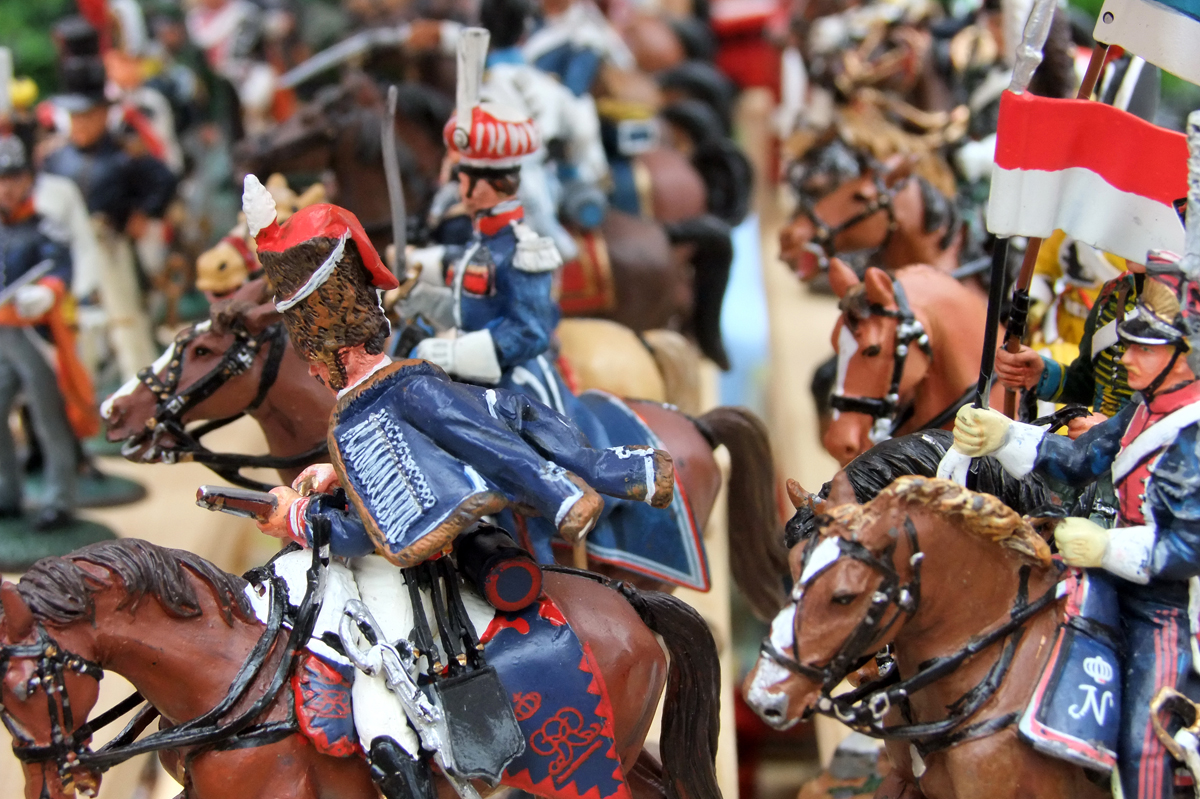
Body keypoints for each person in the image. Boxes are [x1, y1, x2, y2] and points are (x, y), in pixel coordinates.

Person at [239, 172, 672, 799]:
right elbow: (398, 468)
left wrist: (303, 521)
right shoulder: (370, 398)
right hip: (415, 542)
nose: (308, 367)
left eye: (311, 352)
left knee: (370, 666)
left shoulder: (401, 390)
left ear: (335, 348)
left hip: (424, 568)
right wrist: (337, 476)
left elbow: (406, 508)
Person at [952, 260, 1200, 799]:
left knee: (1148, 737)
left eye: (1145, 349)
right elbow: (1083, 455)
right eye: (1129, 345)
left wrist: (1109, 546)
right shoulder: (1142, 408)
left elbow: (1187, 546)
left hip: (1170, 607)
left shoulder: (1193, 433)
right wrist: (1005, 435)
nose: (1128, 358)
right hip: (1112, 579)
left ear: (1185, 356)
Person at [0, 137, 82, 530]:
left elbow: (62, 268)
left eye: (13, 178)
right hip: (1, 335)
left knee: (48, 416)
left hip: (32, 335)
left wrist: (46, 291)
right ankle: (7, 492)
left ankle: (59, 498)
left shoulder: (44, 225)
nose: (6, 188)